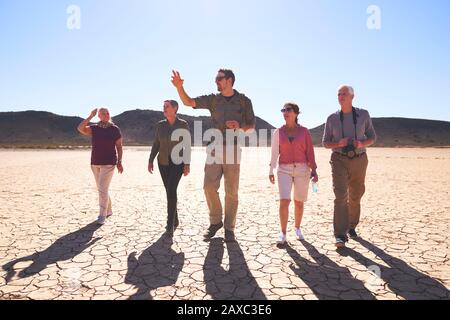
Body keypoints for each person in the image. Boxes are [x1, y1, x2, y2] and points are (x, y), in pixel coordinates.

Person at [171, 69, 256, 242]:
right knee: (208, 187)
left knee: (231, 191)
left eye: (219, 79)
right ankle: (215, 221)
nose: (216, 81)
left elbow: (252, 126)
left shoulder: (243, 101)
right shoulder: (213, 99)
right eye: (216, 79)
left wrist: (239, 127)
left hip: (232, 148)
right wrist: (180, 87)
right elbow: (189, 102)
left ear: (229, 80)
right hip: (213, 148)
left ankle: (229, 228)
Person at [322, 85, 377, 248]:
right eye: (339, 94)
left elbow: (373, 137)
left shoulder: (363, 115)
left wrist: (362, 143)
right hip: (339, 159)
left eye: (344, 94)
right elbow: (325, 143)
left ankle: (351, 226)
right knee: (340, 195)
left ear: (353, 96)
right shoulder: (332, 118)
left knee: (356, 195)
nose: (341, 96)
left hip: (359, 159)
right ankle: (340, 235)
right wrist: (338, 143)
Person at [269, 103, 318, 245]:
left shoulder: (304, 132)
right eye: (283, 110)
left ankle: (297, 228)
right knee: (284, 201)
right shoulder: (278, 132)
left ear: (296, 113)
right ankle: (283, 233)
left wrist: (314, 170)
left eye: (288, 110)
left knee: (299, 202)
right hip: (284, 169)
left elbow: (310, 152)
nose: (285, 112)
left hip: (302, 169)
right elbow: (274, 153)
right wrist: (271, 169)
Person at [148, 100, 191, 236]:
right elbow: (156, 143)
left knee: (172, 189)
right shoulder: (160, 125)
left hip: (177, 163)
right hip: (163, 163)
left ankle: (169, 223)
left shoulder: (183, 124)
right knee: (169, 191)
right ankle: (175, 219)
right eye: (163, 106)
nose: (164, 108)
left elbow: (187, 145)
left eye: (167, 106)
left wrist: (187, 163)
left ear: (175, 108)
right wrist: (151, 160)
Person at [77, 108, 124, 225]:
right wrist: (89, 117)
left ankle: (102, 215)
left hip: (109, 163)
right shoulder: (94, 128)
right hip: (95, 162)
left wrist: (119, 161)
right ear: (99, 116)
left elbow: (119, 146)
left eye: (108, 113)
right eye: (103, 113)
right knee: (102, 189)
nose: (107, 114)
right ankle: (109, 210)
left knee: (102, 189)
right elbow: (80, 128)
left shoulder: (114, 129)